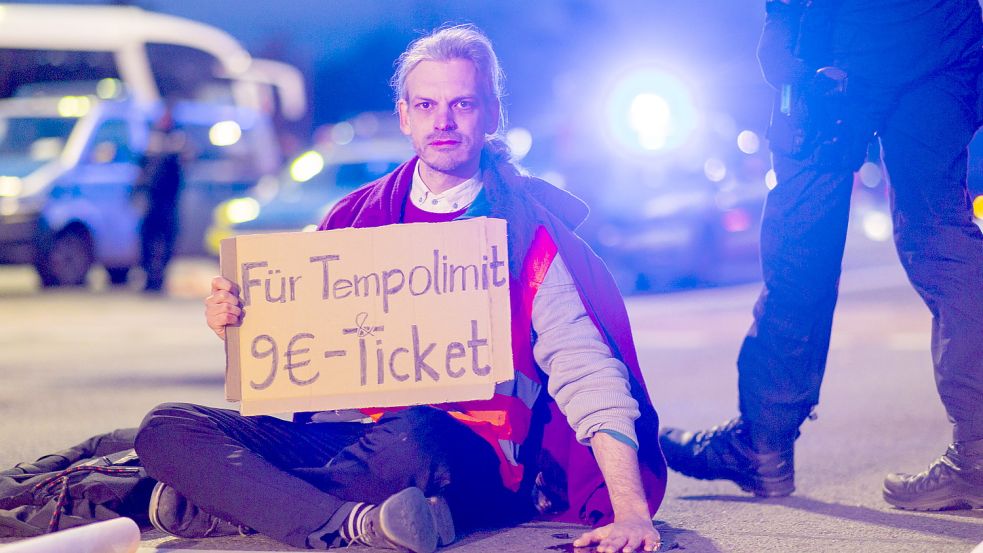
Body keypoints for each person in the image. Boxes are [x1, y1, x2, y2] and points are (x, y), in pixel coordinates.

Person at [134, 25, 668, 553]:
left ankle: (225, 501)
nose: (444, 122)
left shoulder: (525, 232)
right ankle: (353, 525)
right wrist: (238, 323)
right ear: (405, 117)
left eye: (462, 104)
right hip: (345, 440)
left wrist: (631, 512)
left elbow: (586, 368)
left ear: (492, 114)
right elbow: (305, 355)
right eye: (427, 105)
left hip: (459, 451)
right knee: (165, 427)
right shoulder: (353, 218)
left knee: (413, 438)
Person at [659, 0, 983, 510]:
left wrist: (785, 35)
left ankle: (761, 445)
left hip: (840, 40)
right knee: (941, 236)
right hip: (944, 33)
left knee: (801, 239)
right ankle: (979, 452)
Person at [133, 103, 185, 293]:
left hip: (168, 203)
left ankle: (159, 278)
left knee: (166, 242)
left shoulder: (177, 140)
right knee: (147, 241)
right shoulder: (152, 140)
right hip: (152, 203)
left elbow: (180, 169)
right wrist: (137, 193)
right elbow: (142, 170)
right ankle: (148, 278)